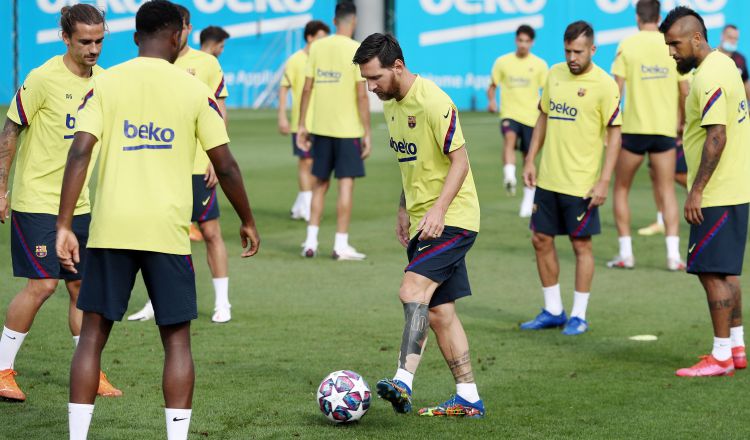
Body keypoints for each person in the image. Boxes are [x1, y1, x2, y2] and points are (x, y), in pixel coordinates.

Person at [59, 1, 259, 438]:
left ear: (134, 38)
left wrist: (62, 225)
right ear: (179, 37)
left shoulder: (105, 84)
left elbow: (79, 151)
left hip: (111, 227)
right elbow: (225, 165)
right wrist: (247, 219)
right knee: (177, 341)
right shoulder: (193, 90)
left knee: (92, 334)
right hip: (166, 232)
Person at [354, 33, 484, 418]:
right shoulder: (390, 104)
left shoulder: (433, 101)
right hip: (421, 219)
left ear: (397, 66)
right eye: (365, 80)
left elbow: (459, 161)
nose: (371, 87)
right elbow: (409, 163)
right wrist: (402, 208)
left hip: (452, 218)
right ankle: (469, 398)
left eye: (375, 78)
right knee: (441, 312)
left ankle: (402, 380)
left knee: (412, 288)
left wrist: (439, 210)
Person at [0, 4, 120, 402]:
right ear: (65, 37)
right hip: (36, 201)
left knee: (81, 289)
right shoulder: (43, 79)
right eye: (85, 41)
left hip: (80, 205)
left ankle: (91, 372)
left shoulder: (105, 83)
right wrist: (1, 189)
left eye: (100, 40)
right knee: (43, 284)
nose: (94, 49)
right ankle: (2, 369)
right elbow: (10, 131)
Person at [127, 4, 233, 323]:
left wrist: (216, 157)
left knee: (210, 231)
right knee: (155, 235)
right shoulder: (152, 63)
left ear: (186, 28)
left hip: (198, 166)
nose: (182, 32)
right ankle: (153, 301)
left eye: (185, 26)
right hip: (161, 165)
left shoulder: (207, 64)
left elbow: (220, 111)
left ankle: (222, 303)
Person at [660, 6, 748, 377]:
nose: (671, 52)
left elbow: (717, 135)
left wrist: (695, 192)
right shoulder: (727, 64)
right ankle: (738, 346)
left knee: (711, 273)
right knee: (727, 273)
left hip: (717, 192)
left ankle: (721, 356)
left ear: (696, 38)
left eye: (675, 44)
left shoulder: (709, 75)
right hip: (737, 186)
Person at [521, 21, 622, 336]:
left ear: (592, 49)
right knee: (540, 239)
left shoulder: (606, 85)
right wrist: (529, 159)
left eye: (578, 51)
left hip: (581, 183)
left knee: (581, 245)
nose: (572, 57)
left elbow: (615, 133)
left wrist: (604, 179)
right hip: (549, 179)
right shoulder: (554, 74)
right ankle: (553, 309)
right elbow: (543, 117)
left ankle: (579, 315)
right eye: (567, 51)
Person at [607, 0, 688, 271]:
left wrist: (608, 130)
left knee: (620, 188)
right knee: (666, 190)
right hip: (664, 131)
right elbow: (685, 90)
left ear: (637, 17)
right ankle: (673, 256)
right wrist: (682, 123)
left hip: (633, 130)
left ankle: (626, 254)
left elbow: (615, 92)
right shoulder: (670, 45)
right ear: (660, 16)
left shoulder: (628, 45)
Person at [296, 1, 371, 260]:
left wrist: (302, 125)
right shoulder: (356, 49)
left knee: (319, 185)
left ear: (335, 19)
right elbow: (362, 96)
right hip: (348, 130)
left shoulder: (317, 47)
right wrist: (367, 132)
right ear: (354, 21)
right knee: (345, 187)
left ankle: (310, 241)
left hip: (321, 128)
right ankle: (340, 245)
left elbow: (307, 88)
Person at [487, 25, 548, 217]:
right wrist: (491, 101)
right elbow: (492, 86)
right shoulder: (503, 62)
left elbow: (545, 92)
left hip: (531, 118)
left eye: (526, 41)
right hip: (509, 114)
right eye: (520, 40)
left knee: (528, 159)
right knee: (509, 139)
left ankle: (528, 199)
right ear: (516, 40)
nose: (523, 44)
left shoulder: (539, 65)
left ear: (532, 43)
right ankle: (509, 176)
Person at [278, 20, 330, 222]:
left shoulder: (324, 60)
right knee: (306, 162)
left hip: (323, 122)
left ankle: (300, 204)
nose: (323, 42)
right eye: (320, 37)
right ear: (310, 38)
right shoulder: (296, 60)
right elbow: (284, 87)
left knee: (319, 165)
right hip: (302, 122)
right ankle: (307, 205)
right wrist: (282, 115)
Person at [717, 24, 750, 100]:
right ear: (722, 36)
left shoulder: (741, 59)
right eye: (730, 37)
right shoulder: (710, 56)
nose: (733, 41)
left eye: (736, 39)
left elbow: (746, 82)